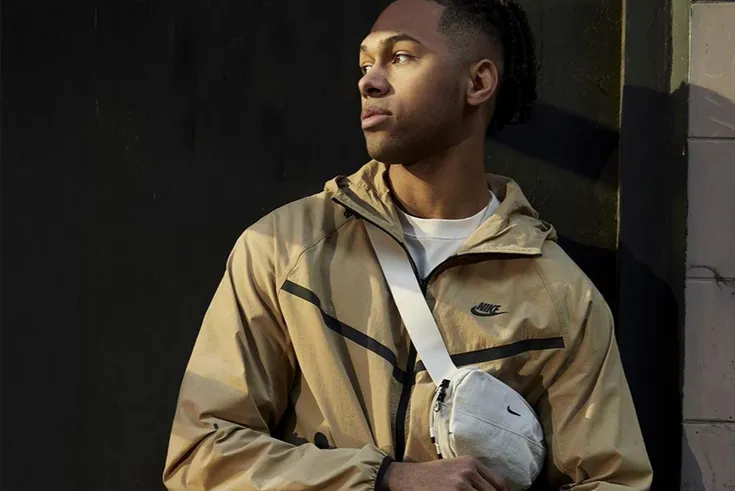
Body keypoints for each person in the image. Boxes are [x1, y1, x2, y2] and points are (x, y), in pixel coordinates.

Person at [163, 0, 653, 489]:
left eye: (400, 57)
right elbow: (201, 453)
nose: (369, 82)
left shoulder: (561, 297)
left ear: (478, 83)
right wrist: (386, 480)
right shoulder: (286, 250)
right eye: (365, 65)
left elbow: (612, 482)